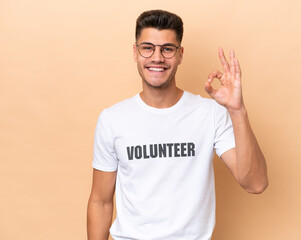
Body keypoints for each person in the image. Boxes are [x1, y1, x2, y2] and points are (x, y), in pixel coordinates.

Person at [87, 9, 268, 240]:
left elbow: (256, 183)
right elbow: (100, 201)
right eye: (148, 47)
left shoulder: (210, 114)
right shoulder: (112, 119)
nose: (157, 58)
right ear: (135, 52)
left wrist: (237, 110)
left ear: (180, 54)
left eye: (167, 49)